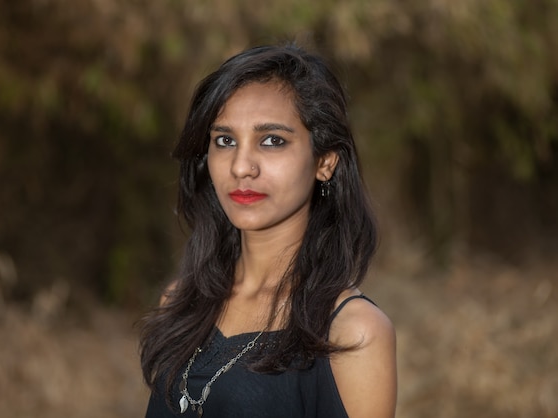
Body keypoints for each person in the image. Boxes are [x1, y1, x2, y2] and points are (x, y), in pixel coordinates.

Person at [139, 43, 396, 418]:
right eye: (225, 141)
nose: (242, 166)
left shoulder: (353, 331)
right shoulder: (180, 304)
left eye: (272, 140)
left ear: (324, 161)